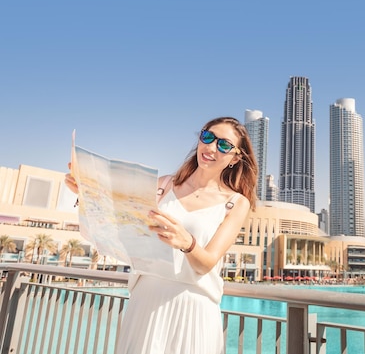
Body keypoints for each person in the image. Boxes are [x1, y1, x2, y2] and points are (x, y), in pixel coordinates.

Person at [65, 116, 258, 354]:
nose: (211, 147)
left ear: (236, 157)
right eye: (207, 137)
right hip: (146, 302)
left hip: (194, 307)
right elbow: (121, 226)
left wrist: (187, 242)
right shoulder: (163, 185)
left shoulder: (235, 203)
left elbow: (206, 263)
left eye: (224, 145)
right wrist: (86, 194)